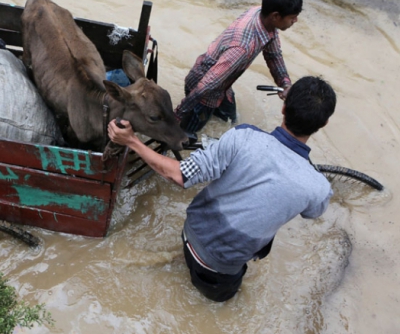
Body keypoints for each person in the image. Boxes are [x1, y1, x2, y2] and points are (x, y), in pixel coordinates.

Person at [109, 76, 335, 302]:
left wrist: (132, 141)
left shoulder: (242, 137)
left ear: (284, 107)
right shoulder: (318, 187)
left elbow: (179, 174)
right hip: (220, 270)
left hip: (191, 232)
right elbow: (313, 212)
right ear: (323, 124)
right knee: (224, 303)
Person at [175, 0, 303, 139]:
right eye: (292, 17)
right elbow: (205, 86)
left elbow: (273, 55)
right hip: (203, 92)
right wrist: (179, 114)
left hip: (222, 83)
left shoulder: (260, 14)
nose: (295, 20)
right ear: (276, 16)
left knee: (230, 120)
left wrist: (285, 84)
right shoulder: (243, 47)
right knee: (187, 135)